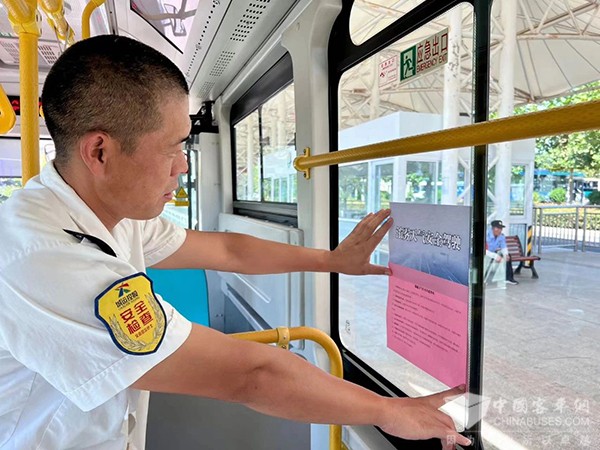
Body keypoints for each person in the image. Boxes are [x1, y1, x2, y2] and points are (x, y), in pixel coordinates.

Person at [0, 35, 471, 450]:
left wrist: (331, 260)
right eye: (171, 147)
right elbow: (251, 376)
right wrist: (389, 412)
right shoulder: (40, 255)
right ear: (100, 152)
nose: (182, 167)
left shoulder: (111, 214)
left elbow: (230, 251)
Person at [486, 220, 518, 285]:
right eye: (497, 228)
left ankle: (508, 278)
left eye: (501, 228)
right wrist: (496, 256)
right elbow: (482, 250)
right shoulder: (485, 235)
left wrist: (506, 254)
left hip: (492, 253)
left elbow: (503, 247)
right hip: (483, 253)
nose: (499, 230)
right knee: (485, 258)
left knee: (508, 256)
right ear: (492, 228)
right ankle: (484, 279)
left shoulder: (501, 236)